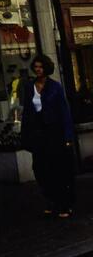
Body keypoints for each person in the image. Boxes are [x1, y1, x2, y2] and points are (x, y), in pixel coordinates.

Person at [21, 54, 75, 218]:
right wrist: (25, 135)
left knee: (58, 169)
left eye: (41, 67)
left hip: (54, 133)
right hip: (38, 134)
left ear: (46, 68)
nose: (38, 69)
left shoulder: (55, 87)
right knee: (40, 169)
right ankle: (51, 201)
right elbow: (27, 112)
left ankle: (64, 204)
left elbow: (64, 112)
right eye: (36, 67)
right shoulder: (29, 87)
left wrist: (68, 137)